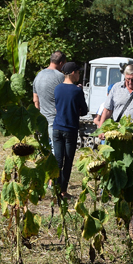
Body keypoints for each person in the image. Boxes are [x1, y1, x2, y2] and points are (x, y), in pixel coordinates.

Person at [52, 62, 88, 198]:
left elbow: (57, 106)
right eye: (78, 72)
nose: (79, 75)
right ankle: (63, 191)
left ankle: (55, 187)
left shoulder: (57, 88)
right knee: (68, 161)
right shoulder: (77, 90)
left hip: (57, 127)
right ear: (73, 73)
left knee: (58, 160)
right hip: (70, 128)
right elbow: (84, 111)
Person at [32, 50, 66, 143]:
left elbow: (36, 100)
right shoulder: (61, 77)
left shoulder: (39, 75)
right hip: (55, 122)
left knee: (45, 151)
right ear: (61, 63)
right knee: (56, 152)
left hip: (42, 122)